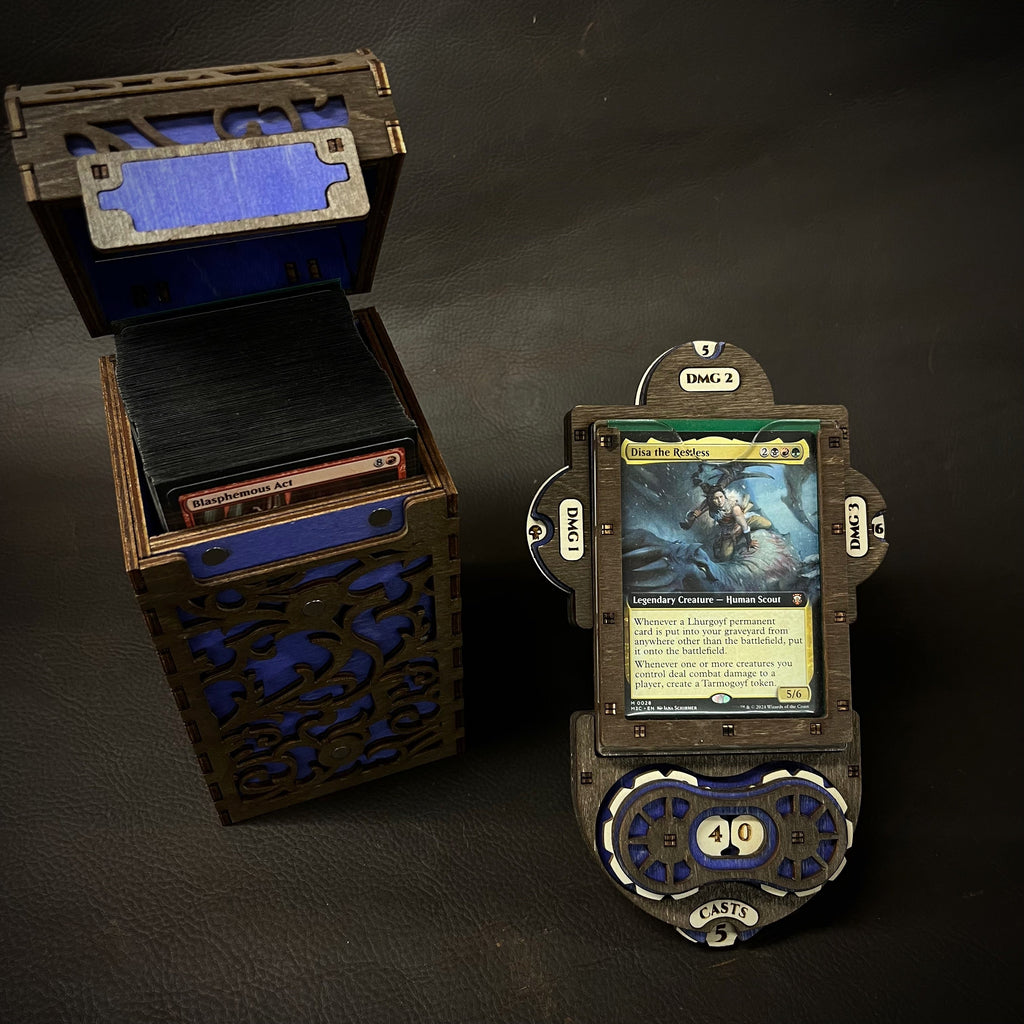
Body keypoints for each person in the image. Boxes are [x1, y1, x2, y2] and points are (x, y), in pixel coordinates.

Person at [681, 487, 772, 562]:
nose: (719, 500)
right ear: (711, 500)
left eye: (721, 497)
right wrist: (692, 518)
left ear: (724, 496)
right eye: (716, 498)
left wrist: (749, 541)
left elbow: (744, 526)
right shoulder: (711, 505)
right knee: (725, 557)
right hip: (728, 532)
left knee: (767, 524)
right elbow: (701, 508)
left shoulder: (734, 507)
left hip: (743, 522)